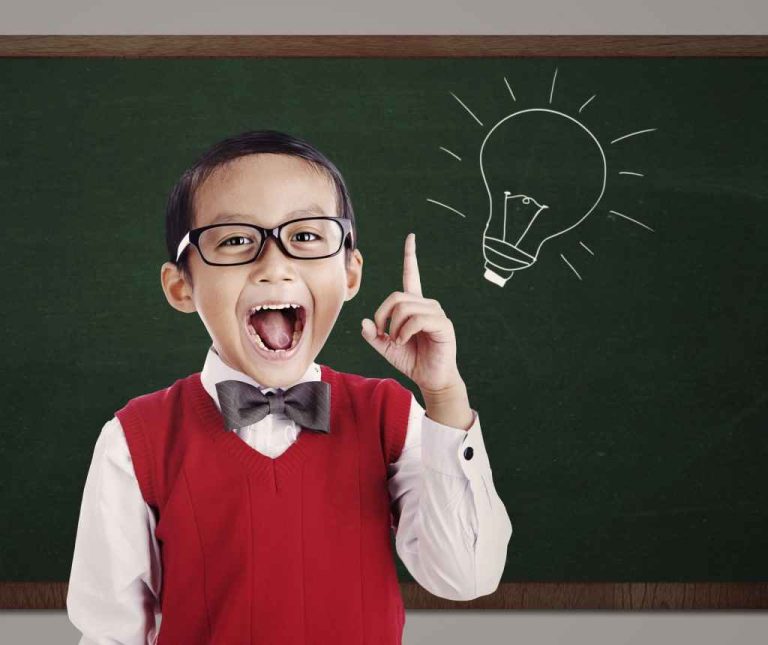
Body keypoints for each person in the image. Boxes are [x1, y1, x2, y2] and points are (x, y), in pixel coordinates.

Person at [67, 129, 513, 644]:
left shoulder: (391, 416)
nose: (274, 267)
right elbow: (110, 633)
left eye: (305, 237)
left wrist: (444, 395)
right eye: (235, 240)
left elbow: (466, 576)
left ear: (350, 274)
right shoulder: (134, 440)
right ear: (181, 286)